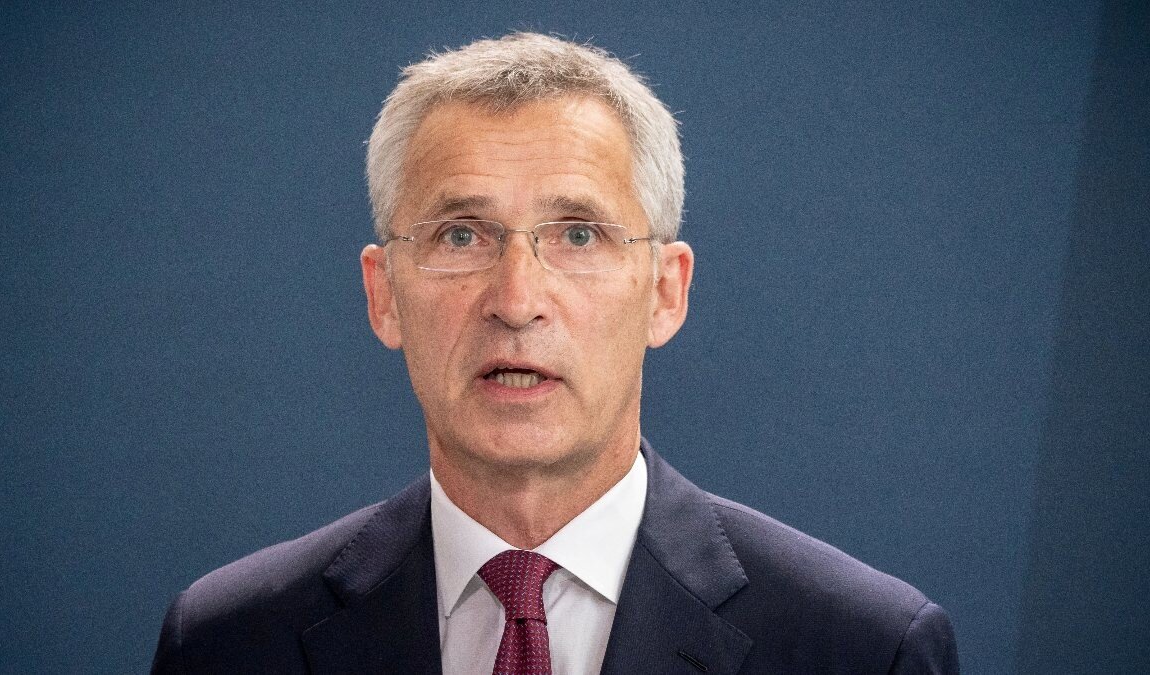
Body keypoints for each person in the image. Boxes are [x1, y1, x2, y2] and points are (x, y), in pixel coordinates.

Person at [151, 32, 959, 674]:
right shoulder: (227, 641)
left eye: (578, 235)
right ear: (384, 293)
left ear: (665, 291)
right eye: (460, 236)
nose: (516, 299)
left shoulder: (864, 648)